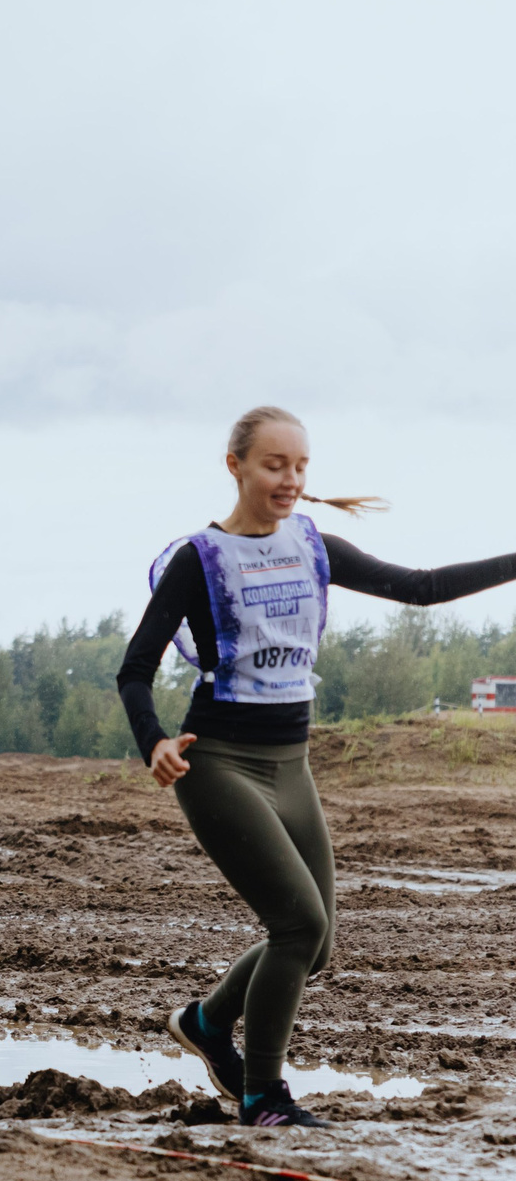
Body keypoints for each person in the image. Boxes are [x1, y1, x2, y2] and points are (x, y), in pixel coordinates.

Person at [121, 405, 516, 1128]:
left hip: (292, 764)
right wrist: (155, 740)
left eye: (301, 466)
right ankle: (263, 1097)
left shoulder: (314, 546)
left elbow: (422, 587)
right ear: (235, 465)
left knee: (318, 943)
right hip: (220, 764)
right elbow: (135, 669)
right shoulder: (199, 560)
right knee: (297, 924)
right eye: (275, 465)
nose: (291, 480)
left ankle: (208, 1025)